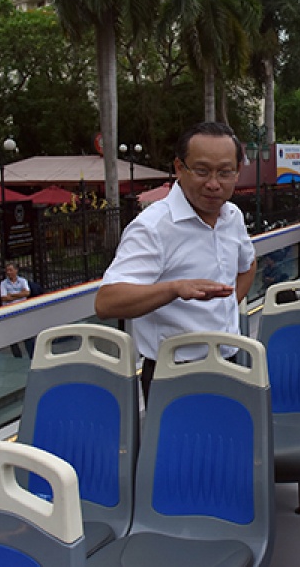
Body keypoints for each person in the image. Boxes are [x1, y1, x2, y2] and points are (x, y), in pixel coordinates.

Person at [96, 122, 257, 402]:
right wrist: (174, 289)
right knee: (182, 447)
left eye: (225, 172)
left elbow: (248, 265)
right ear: (180, 168)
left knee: (229, 444)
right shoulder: (154, 227)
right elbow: (107, 302)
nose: (213, 183)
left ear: (237, 172)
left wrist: (227, 305)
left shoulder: (232, 216)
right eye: (202, 170)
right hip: (174, 373)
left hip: (229, 358)